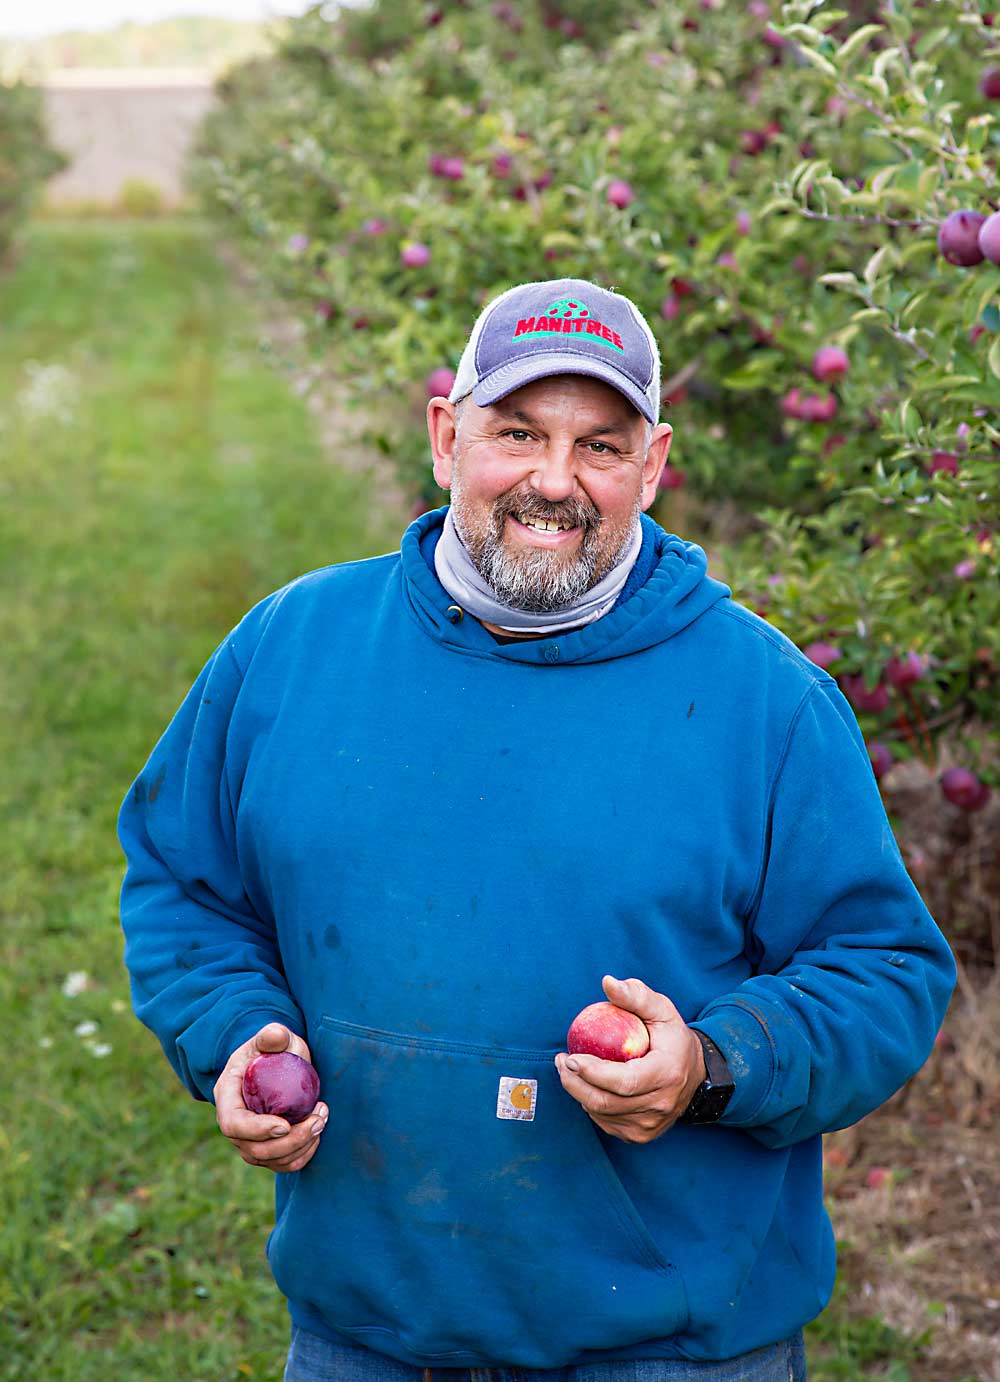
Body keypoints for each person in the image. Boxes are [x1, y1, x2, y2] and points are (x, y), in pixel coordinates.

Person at [118, 277, 956, 1382]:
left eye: (599, 446)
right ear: (443, 434)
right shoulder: (291, 648)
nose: (553, 482)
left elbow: (882, 968)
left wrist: (711, 1061)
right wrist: (237, 1030)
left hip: (669, 1347)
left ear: (652, 467)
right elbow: (186, 882)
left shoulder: (764, 700)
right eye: (516, 431)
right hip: (367, 1332)